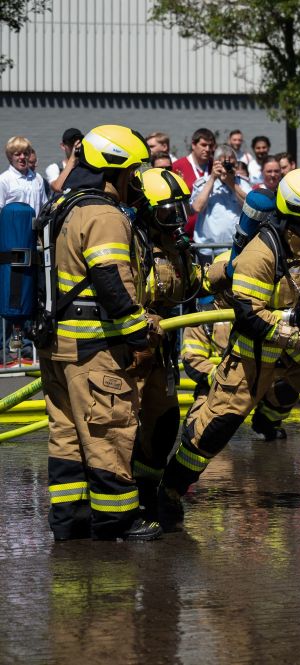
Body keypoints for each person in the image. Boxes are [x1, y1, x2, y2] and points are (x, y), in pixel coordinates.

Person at [157, 168, 300, 527]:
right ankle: (170, 491)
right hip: (253, 357)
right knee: (216, 429)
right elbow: (249, 316)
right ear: (297, 216)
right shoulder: (260, 253)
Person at [40, 124, 161, 541]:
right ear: (115, 172)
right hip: (94, 349)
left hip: (58, 347)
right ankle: (117, 522)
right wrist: (137, 333)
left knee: (67, 437)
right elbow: (111, 280)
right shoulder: (104, 214)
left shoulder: (64, 205)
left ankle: (70, 522)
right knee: (108, 431)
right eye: (131, 172)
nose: (134, 181)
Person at [129, 167, 201, 521]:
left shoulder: (173, 246)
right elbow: (116, 292)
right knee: (121, 428)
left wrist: (229, 271)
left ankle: (148, 495)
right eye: (167, 212)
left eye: (179, 210)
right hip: (128, 351)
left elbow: (193, 286)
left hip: (160, 350)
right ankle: (115, 507)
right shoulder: (130, 243)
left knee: (164, 424)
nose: (176, 220)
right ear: (146, 210)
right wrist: (142, 318)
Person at [190, 145, 251, 263]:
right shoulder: (203, 183)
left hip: (234, 248)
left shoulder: (242, 183)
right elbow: (197, 208)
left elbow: (250, 206)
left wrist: (231, 183)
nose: (228, 168)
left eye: (232, 164)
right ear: (215, 163)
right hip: (207, 250)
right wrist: (213, 178)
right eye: (225, 164)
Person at [0, 136, 48, 215]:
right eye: (18, 154)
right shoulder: (3, 180)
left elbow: (44, 207)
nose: (22, 157)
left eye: (25, 153)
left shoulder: (37, 178)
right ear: (10, 157)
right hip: (12, 227)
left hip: (35, 227)